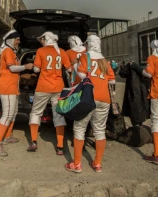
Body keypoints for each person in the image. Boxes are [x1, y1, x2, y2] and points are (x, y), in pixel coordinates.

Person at [65, 34, 115, 173]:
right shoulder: (104, 61)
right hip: (104, 99)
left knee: (79, 128)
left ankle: (76, 164)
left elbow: (81, 74)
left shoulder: (85, 57)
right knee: (99, 130)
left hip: (88, 97)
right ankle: (97, 164)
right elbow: (112, 81)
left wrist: (77, 67)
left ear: (89, 45)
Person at [28, 32, 72, 155]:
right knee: (58, 115)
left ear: (46, 39)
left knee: (36, 112)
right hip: (58, 87)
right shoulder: (62, 51)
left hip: (43, 87)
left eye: (41, 39)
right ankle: (60, 147)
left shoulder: (41, 51)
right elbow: (69, 69)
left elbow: (36, 69)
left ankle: (33, 142)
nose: (40, 41)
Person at [0, 30, 33, 157]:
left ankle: (8, 136)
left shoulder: (12, 52)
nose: (18, 41)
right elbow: (12, 68)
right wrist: (26, 67)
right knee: (7, 114)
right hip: (7, 88)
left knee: (13, 113)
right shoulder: (7, 51)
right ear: (10, 40)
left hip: (12, 88)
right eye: (17, 39)